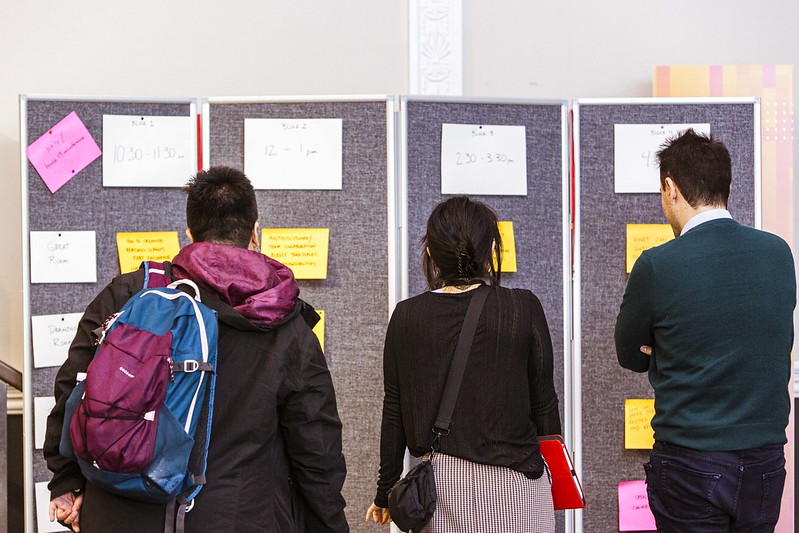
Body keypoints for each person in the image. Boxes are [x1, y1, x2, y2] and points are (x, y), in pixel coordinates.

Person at [43, 166, 350, 532]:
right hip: (240, 515)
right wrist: (329, 522)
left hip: (121, 512)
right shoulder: (284, 321)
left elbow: (75, 386)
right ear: (255, 233)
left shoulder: (129, 293)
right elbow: (316, 445)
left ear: (189, 234)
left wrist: (66, 481)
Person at [615, 129, 795, 532]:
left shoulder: (658, 265)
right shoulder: (778, 253)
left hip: (690, 460)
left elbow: (629, 354)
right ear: (727, 186)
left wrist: (662, 347)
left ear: (670, 188)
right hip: (765, 461)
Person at [365, 195, 562, 532]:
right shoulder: (522, 308)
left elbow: (394, 409)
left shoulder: (407, 316)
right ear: (490, 252)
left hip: (444, 489)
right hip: (521, 487)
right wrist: (558, 479)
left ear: (430, 254)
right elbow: (544, 405)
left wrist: (385, 493)